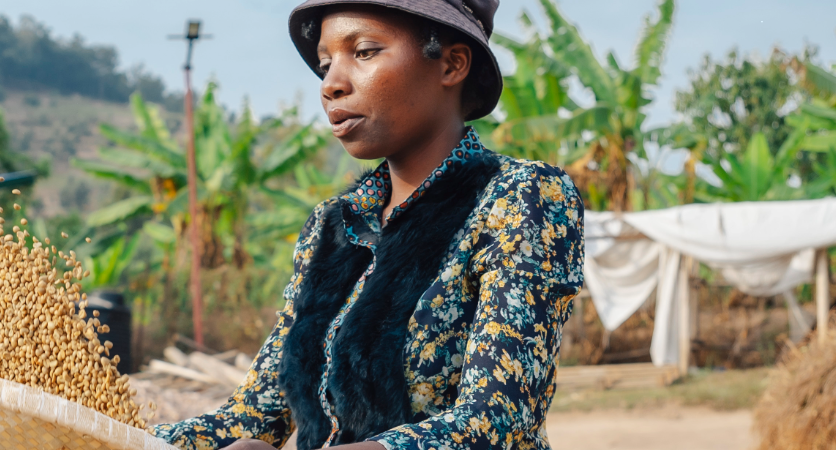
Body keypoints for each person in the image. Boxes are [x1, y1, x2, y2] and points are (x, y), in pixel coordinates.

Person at [150, 0, 584, 449]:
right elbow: (254, 416)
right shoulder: (332, 227)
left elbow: (496, 419)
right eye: (325, 63)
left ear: (452, 64)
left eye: (364, 52)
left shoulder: (520, 196)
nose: (332, 84)